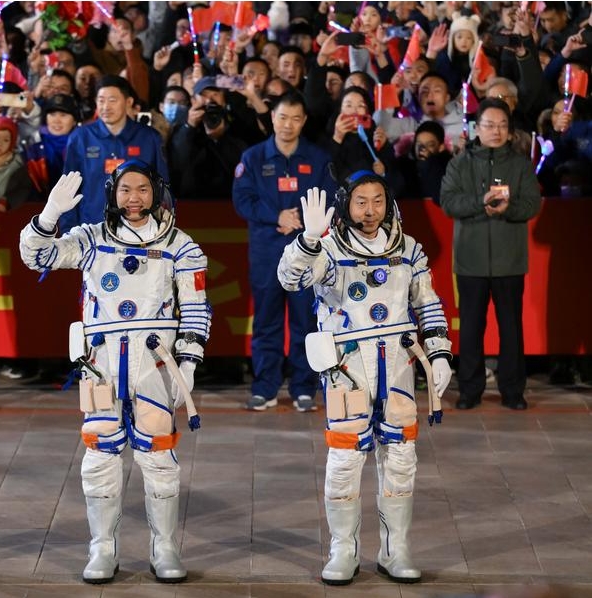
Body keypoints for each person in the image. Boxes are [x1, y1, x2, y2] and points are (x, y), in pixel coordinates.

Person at [18, 162, 211, 585]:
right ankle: (102, 547)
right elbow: (36, 257)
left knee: (159, 457)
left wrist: (190, 360)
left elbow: (196, 306)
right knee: (100, 457)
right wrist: (48, 217)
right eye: (126, 189)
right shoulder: (91, 239)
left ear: (156, 193)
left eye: (143, 189)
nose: (134, 198)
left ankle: (164, 548)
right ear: (113, 193)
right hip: (102, 364)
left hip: (156, 363)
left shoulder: (181, 245)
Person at [276, 174, 453, 586]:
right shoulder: (330, 249)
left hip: (398, 362)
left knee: (401, 459)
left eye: (377, 201)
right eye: (360, 202)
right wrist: (308, 240)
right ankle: (344, 549)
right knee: (344, 460)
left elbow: (427, 302)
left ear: (388, 203)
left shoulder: (408, 250)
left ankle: (396, 549)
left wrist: (440, 353)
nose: (370, 211)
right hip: (347, 367)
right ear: (346, 205)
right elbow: (290, 279)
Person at [232, 92, 334, 412]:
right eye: (282, 117)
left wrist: (303, 222)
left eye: (295, 118)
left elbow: (331, 198)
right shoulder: (252, 158)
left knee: (306, 320)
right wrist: (276, 217)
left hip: (307, 252)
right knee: (267, 321)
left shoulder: (318, 159)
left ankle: (304, 387)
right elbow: (242, 200)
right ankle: (265, 387)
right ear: (272, 118)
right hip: (266, 250)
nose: (288, 125)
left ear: (303, 122)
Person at [440, 98, 542, 411]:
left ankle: (513, 391)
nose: (495, 131)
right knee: (470, 326)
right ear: (476, 128)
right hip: (470, 260)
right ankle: (470, 390)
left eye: (501, 125)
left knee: (511, 327)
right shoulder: (460, 162)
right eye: (489, 125)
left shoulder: (521, 164)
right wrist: (478, 202)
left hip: (509, 260)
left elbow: (532, 205)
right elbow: (448, 202)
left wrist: (508, 208)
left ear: (510, 130)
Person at [60, 74, 167, 231]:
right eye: (101, 100)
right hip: (91, 230)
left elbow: (163, 189)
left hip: (139, 231)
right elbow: (68, 190)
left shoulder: (149, 138)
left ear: (128, 102)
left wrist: (161, 226)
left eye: (112, 100)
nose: (105, 107)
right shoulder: (80, 138)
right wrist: (67, 233)